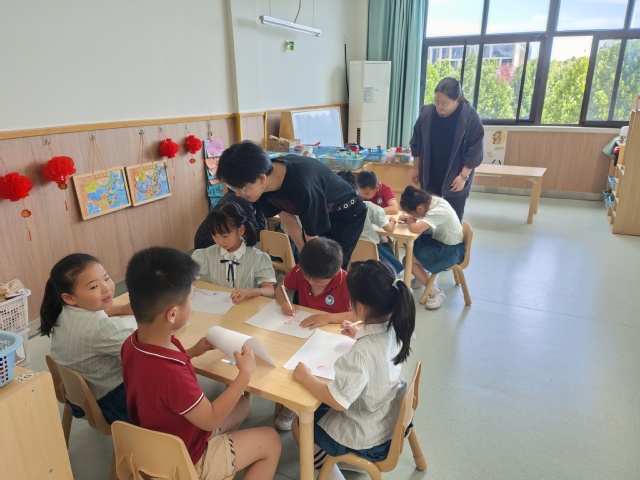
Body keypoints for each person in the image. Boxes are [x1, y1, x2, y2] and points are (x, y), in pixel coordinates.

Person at [122, 247, 281, 480]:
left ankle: (223, 462)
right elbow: (210, 419)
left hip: (158, 440)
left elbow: (159, 382)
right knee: (271, 440)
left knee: (242, 405)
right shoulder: (171, 373)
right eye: (191, 298)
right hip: (185, 460)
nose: (192, 302)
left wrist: (192, 352)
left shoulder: (132, 343)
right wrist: (245, 374)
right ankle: (213, 467)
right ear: (172, 314)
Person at [290, 260, 415, 480]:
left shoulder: (361, 353)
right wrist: (358, 335)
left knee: (300, 424)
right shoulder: (398, 325)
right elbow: (378, 350)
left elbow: (337, 401)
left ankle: (332, 472)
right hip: (388, 414)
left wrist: (306, 377)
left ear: (360, 308)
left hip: (367, 432)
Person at [216, 141, 367, 269]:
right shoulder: (263, 184)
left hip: (347, 213)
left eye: (241, 189)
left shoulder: (301, 185)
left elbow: (311, 235)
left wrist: (312, 264)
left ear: (261, 179)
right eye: (234, 189)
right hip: (322, 212)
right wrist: (304, 256)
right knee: (309, 267)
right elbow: (288, 220)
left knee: (329, 268)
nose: (238, 194)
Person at [39, 253, 133, 423]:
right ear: (69, 298)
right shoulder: (101, 328)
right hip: (115, 404)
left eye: (106, 278)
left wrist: (122, 309)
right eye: (94, 287)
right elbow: (144, 352)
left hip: (81, 399)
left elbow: (97, 314)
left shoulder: (63, 313)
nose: (106, 288)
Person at [273, 237, 353, 432]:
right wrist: (284, 302)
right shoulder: (301, 271)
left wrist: (328, 318)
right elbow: (281, 288)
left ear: (335, 271)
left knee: (315, 369)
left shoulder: (347, 282)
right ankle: (290, 401)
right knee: (286, 362)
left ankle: (297, 406)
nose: (309, 281)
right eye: (307, 276)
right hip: (302, 330)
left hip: (332, 337)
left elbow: (357, 315)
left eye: (316, 280)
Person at [410, 77, 484, 221]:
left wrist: (463, 177)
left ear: (457, 99)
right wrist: (416, 168)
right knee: (428, 216)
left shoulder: (470, 118)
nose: (440, 107)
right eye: (437, 102)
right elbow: (416, 143)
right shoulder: (426, 114)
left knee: (452, 218)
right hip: (430, 174)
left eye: (445, 103)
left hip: (456, 177)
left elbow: (475, 151)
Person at [191, 202, 276, 304]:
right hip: (217, 306)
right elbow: (195, 282)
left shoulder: (258, 258)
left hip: (246, 307)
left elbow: (269, 289)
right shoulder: (206, 255)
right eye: (214, 235)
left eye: (225, 236)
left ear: (241, 230)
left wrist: (252, 292)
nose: (220, 241)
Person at [399, 186, 465, 309]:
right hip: (442, 242)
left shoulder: (438, 211)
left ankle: (435, 291)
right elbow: (421, 222)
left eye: (410, 213)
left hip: (451, 251)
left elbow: (415, 228)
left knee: (408, 260)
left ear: (419, 208)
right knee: (412, 250)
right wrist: (411, 218)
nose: (410, 215)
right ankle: (421, 276)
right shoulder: (432, 200)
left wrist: (410, 220)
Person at [336, 170, 403, 276]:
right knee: (384, 242)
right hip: (373, 253)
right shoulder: (368, 206)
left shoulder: (331, 208)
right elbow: (389, 228)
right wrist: (392, 220)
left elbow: (394, 208)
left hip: (346, 255)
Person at [194, 191, 265, 250]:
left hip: (206, 242)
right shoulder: (242, 199)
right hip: (208, 245)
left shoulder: (232, 195)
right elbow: (257, 234)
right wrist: (261, 206)